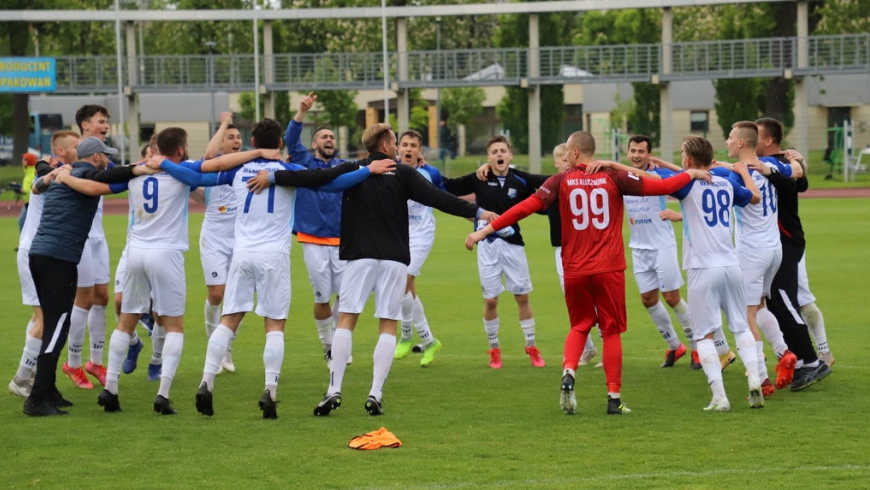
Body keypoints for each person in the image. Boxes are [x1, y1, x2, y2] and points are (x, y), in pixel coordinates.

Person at [466, 131, 710, 416]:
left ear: (577, 152)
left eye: (567, 151)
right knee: (611, 330)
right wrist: (691, 174)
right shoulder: (613, 177)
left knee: (580, 325)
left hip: (575, 269)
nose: (565, 156)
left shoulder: (560, 181)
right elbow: (661, 186)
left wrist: (485, 230)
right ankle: (614, 397)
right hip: (609, 268)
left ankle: (569, 372)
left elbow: (524, 208)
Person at [156, 118, 381, 419]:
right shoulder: (290, 171)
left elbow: (193, 173)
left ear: (252, 143)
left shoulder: (235, 169)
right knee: (274, 324)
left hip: (242, 253)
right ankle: (269, 392)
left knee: (229, 320)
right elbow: (332, 184)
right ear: (280, 145)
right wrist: (368, 170)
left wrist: (162, 164)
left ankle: (206, 382)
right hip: (273, 256)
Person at [312, 123, 496, 417]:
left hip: (359, 255)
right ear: (385, 146)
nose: (398, 148)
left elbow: (317, 179)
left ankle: (334, 389)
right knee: (388, 324)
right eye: (395, 143)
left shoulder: (353, 169)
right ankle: (375, 393)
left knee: (346, 319)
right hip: (395, 257)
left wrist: (274, 176)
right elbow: (439, 198)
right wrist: (476, 211)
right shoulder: (404, 173)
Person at [23, 137, 157, 416]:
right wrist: (138, 168)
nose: (108, 160)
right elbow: (113, 176)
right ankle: (37, 398)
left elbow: (37, 185)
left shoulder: (64, 173)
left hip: (43, 255)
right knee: (57, 326)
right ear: (95, 157)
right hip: (58, 257)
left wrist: (54, 174)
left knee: (57, 322)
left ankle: (48, 390)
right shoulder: (82, 174)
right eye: (106, 156)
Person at [669, 135, 765, 411]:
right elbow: (754, 199)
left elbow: (656, 185)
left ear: (688, 160)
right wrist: (744, 174)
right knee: (740, 326)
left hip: (703, 267)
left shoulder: (687, 184)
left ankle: (720, 397)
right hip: (731, 265)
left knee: (704, 335)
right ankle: (755, 380)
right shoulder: (726, 182)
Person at [443, 135, 547, 370]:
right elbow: (449, 186)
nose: (499, 155)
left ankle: (531, 346)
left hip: (513, 245)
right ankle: (494, 349)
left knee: (522, 297)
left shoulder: (520, 180)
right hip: (487, 246)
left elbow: (545, 188)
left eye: (503, 151)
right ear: (488, 157)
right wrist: (422, 168)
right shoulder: (480, 178)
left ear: (510, 155)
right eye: (494, 152)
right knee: (490, 300)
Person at [753, 117, 832, 390]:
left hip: (787, 241)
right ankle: (800, 360)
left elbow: (796, 182)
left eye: (757, 135)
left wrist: (792, 167)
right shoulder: (773, 163)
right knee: (775, 301)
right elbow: (800, 182)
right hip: (774, 243)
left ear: (768, 140)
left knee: (785, 299)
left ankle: (813, 361)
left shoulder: (777, 164)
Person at [8, 132, 80, 399]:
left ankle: (35, 374)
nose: (78, 150)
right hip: (33, 251)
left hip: (37, 250)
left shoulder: (58, 171)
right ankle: (22, 378)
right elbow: (40, 183)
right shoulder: (53, 174)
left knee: (39, 317)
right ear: (61, 152)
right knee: (43, 319)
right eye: (75, 146)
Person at [284, 92, 350, 365]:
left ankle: (340, 343)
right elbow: (290, 140)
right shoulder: (304, 163)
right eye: (323, 137)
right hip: (312, 240)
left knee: (346, 297)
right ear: (314, 144)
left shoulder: (345, 167)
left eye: (332, 137)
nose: (329, 140)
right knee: (321, 297)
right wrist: (301, 112)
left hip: (343, 241)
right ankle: (328, 345)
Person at [622, 135, 696, 369]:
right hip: (638, 247)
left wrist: (664, 164)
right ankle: (676, 346)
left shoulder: (660, 176)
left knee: (672, 297)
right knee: (648, 299)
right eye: (632, 150)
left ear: (649, 155)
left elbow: (689, 184)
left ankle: (697, 348)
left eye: (641, 151)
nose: (636, 155)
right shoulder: (621, 177)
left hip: (662, 245)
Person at [61, 105, 115, 391]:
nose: (106, 125)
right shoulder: (73, 151)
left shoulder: (102, 155)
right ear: (85, 125)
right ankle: (72, 362)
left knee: (102, 297)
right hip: (79, 236)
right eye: (101, 121)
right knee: (82, 298)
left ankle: (95, 361)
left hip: (98, 237)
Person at [393, 130, 444, 366]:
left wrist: (479, 221)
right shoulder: (389, 170)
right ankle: (429, 341)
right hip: (397, 234)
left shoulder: (430, 173)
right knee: (407, 287)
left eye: (413, 145)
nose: (409, 149)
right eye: (405, 144)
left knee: (401, 282)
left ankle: (405, 335)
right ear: (398, 149)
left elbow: (446, 198)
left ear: (419, 151)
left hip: (421, 236)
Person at [198, 112, 242, 374]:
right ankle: (213, 342)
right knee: (216, 295)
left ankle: (225, 348)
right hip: (214, 237)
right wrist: (224, 122)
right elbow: (207, 157)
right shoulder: (211, 165)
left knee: (235, 298)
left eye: (238, 137)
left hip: (239, 239)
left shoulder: (244, 164)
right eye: (230, 137)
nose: (236, 141)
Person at [18, 153, 37, 231]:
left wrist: (24, 191)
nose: (22, 161)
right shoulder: (27, 173)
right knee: (22, 223)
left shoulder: (34, 173)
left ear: (31, 161)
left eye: (25, 159)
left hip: (32, 203)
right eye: (22, 159)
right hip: (27, 202)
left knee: (22, 222)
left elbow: (35, 188)